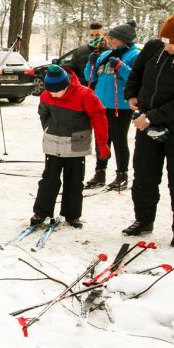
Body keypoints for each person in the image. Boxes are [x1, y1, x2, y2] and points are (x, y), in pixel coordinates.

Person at [122, 10, 174, 248]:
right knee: (143, 175)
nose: (168, 47)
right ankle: (143, 220)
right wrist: (131, 94)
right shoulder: (155, 47)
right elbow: (137, 72)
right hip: (147, 125)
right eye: (165, 40)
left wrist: (151, 117)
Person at [30, 65, 109, 228]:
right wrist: (48, 128)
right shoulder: (46, 95)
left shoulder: (85, 95)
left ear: (66, 84)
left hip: (76, 145)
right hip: (53, 143)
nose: (53, 95)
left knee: (74, 181)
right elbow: (43, 114)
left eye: (57, 91)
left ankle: (72, 214)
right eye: (50, 91)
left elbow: (99, 117)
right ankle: (41, 211)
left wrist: (102, 144)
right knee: (49, 179)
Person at [83, 21, 140, 190]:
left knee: (118, 139)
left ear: (123, 40)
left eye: (113, 38)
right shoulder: (106, 55)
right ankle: (100, 172)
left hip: (120, 106)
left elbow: (136, 78)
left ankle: (122, 174)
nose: (109, 40)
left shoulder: (134, 55)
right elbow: (90, 77)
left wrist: (121, 67)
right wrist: (91, 63)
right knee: (103, 139)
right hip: (101, 104)